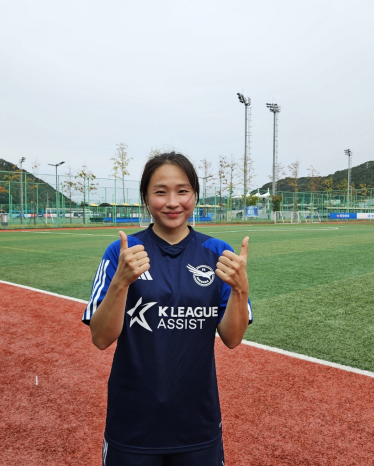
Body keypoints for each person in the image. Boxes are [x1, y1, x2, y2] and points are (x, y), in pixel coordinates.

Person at [82, 151, 252, 466]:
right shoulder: (123, 253)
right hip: (133, 424)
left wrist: (241, 289)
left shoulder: (218, 253)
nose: (172, 201)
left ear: (195, 196)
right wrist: (121, 282)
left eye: (182, 190)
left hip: (197, 424)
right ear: (146, 198)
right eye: (160, 192)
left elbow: (232, 338)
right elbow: (101, 338)